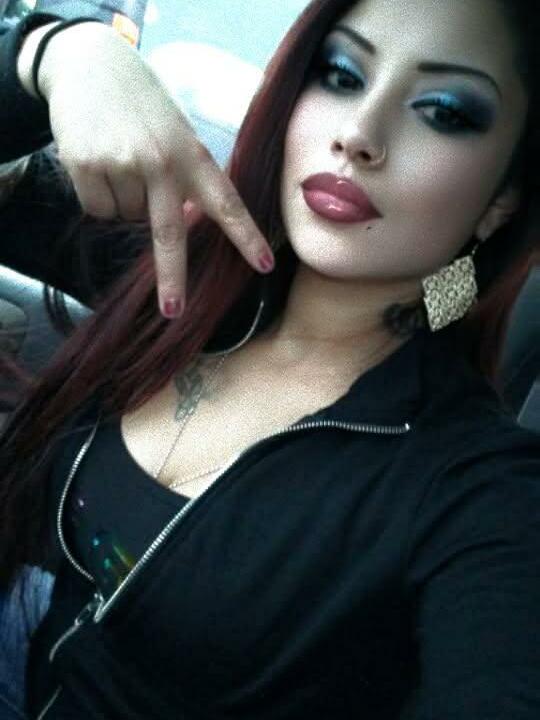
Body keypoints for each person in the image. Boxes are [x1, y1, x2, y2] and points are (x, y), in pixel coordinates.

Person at [0, 0, 539, 717]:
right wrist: (56, 53)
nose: (359, 135)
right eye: (341, 74)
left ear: (501, 200)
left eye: (443, 111)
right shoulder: (183, 268)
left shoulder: (475, 485)